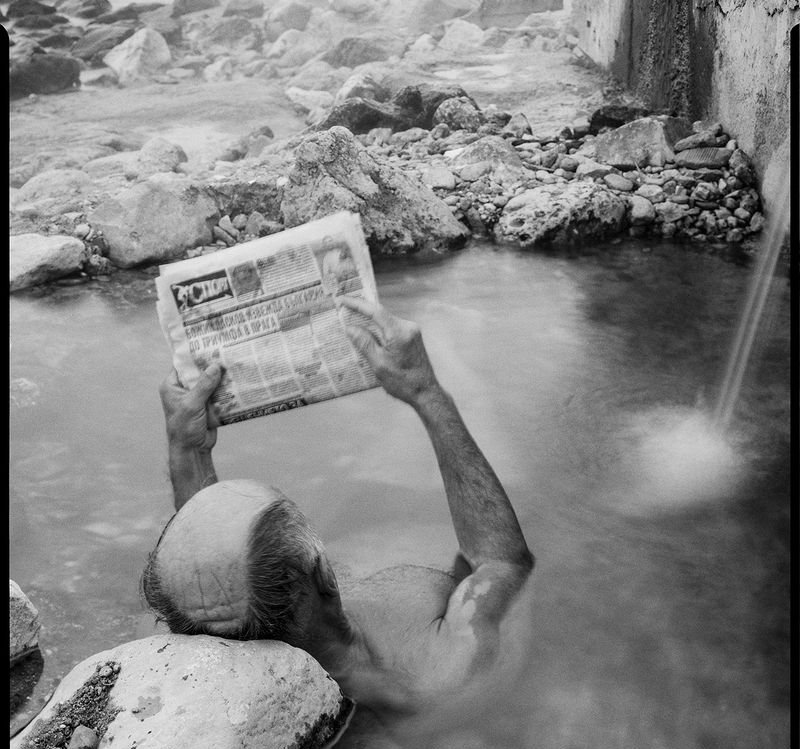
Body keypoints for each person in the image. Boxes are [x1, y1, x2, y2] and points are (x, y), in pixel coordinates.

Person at [142, 296, 534, 716]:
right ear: (325, 576)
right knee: (472, 395)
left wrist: (187, 448)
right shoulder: (432, 675)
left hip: (375, 524)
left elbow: (208, 574)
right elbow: (502, 563)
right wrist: (425, 392)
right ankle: (458, 339)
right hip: (439, 527)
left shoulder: (210, 636)